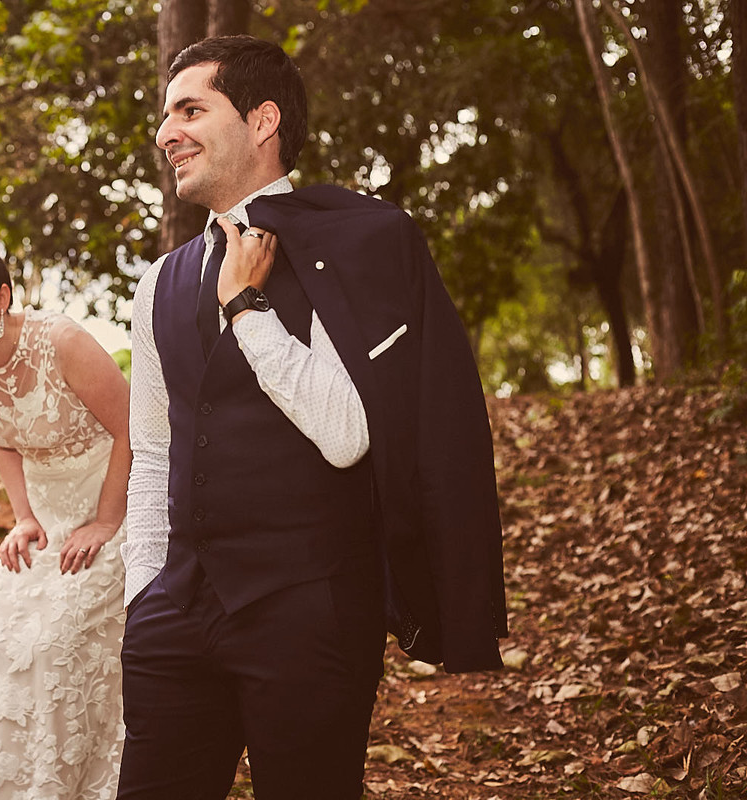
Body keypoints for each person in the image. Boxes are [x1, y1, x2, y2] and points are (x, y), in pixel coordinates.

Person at [118, 35, 508, 799]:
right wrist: (145, 592)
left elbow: (348, 435)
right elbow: (156, 450)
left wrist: (248, 309)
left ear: (262, 121)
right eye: (165, 115)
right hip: (176, 617)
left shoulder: (350, 245)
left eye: (191, 109)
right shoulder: (157, 284)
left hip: (308, 616)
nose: (167, 133)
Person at [0, 224, 130, 799]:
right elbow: (1, 439)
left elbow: (131, 429)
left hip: (109, 508)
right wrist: (24, 518)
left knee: (55, 648)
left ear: (2, 296)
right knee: (5, 648)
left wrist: (107, 523)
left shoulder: (60, 340)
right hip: (46, 521)